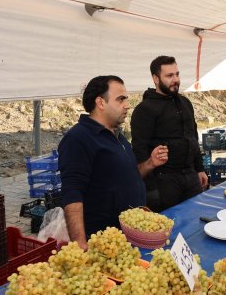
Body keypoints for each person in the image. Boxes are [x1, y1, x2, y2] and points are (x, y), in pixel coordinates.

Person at [59, 75, 168, 250]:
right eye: (120, 99)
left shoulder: (118, 136)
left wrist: (150, 164)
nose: (127, 105)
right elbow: (72, 193)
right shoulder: (78, 139)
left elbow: (128, 175)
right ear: (101, 103)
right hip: (107, 244)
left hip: (132, 236)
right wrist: (79, 243)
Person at [131, 55, 208, 212]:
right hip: (164, 180)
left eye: (177, 74)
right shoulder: (144, 109)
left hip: (190, 175)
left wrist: (200, 168)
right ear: (156, 78)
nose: (176, 80)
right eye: (169, 75)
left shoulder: (185, 103)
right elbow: (140, 150)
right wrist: (151, 190)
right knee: (170, 226)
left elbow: (193, 136)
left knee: (197, 217)